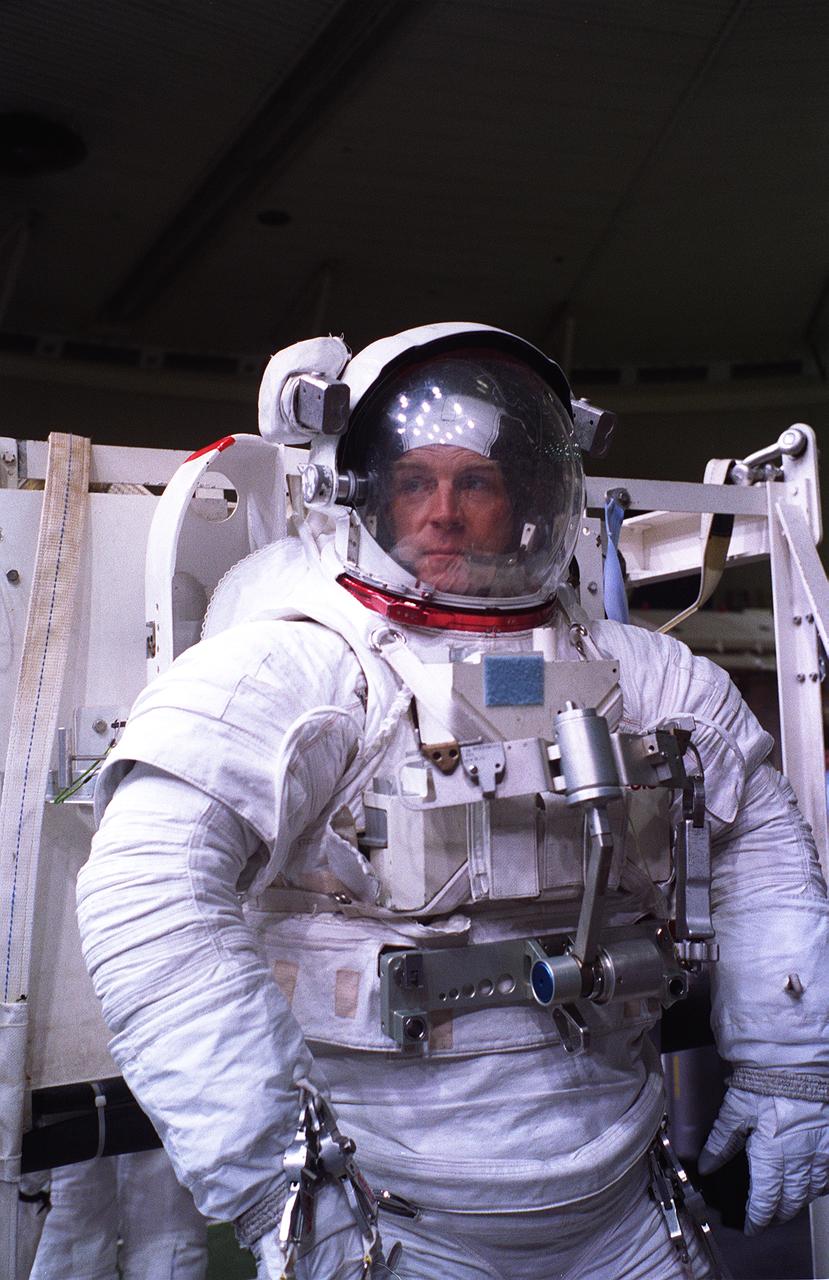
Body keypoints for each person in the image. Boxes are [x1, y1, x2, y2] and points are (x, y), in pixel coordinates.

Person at [76, 323, 829, 1279]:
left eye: (473, 481)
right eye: (413, 483)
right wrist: (277, 1182)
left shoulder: (638, 675)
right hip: (393, 1217)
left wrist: (789, 1064)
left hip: (621, 1207)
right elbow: (149, 897)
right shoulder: (303, 667)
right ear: (364, 499)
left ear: (527, 499)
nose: (442, 512)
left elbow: (760, 838)